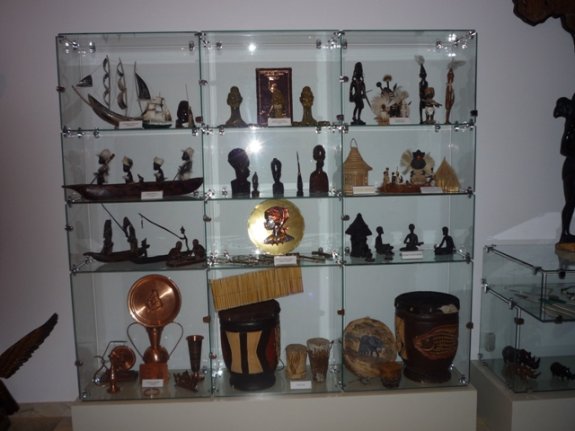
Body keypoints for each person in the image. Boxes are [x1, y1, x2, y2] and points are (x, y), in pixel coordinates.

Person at [554, 94, 575, 244]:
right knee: (571, 201)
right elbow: (564, 149)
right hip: (572, 167)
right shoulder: (571, 125)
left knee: (571, 201)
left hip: (570, 165)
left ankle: (565, 233)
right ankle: (565, 233)